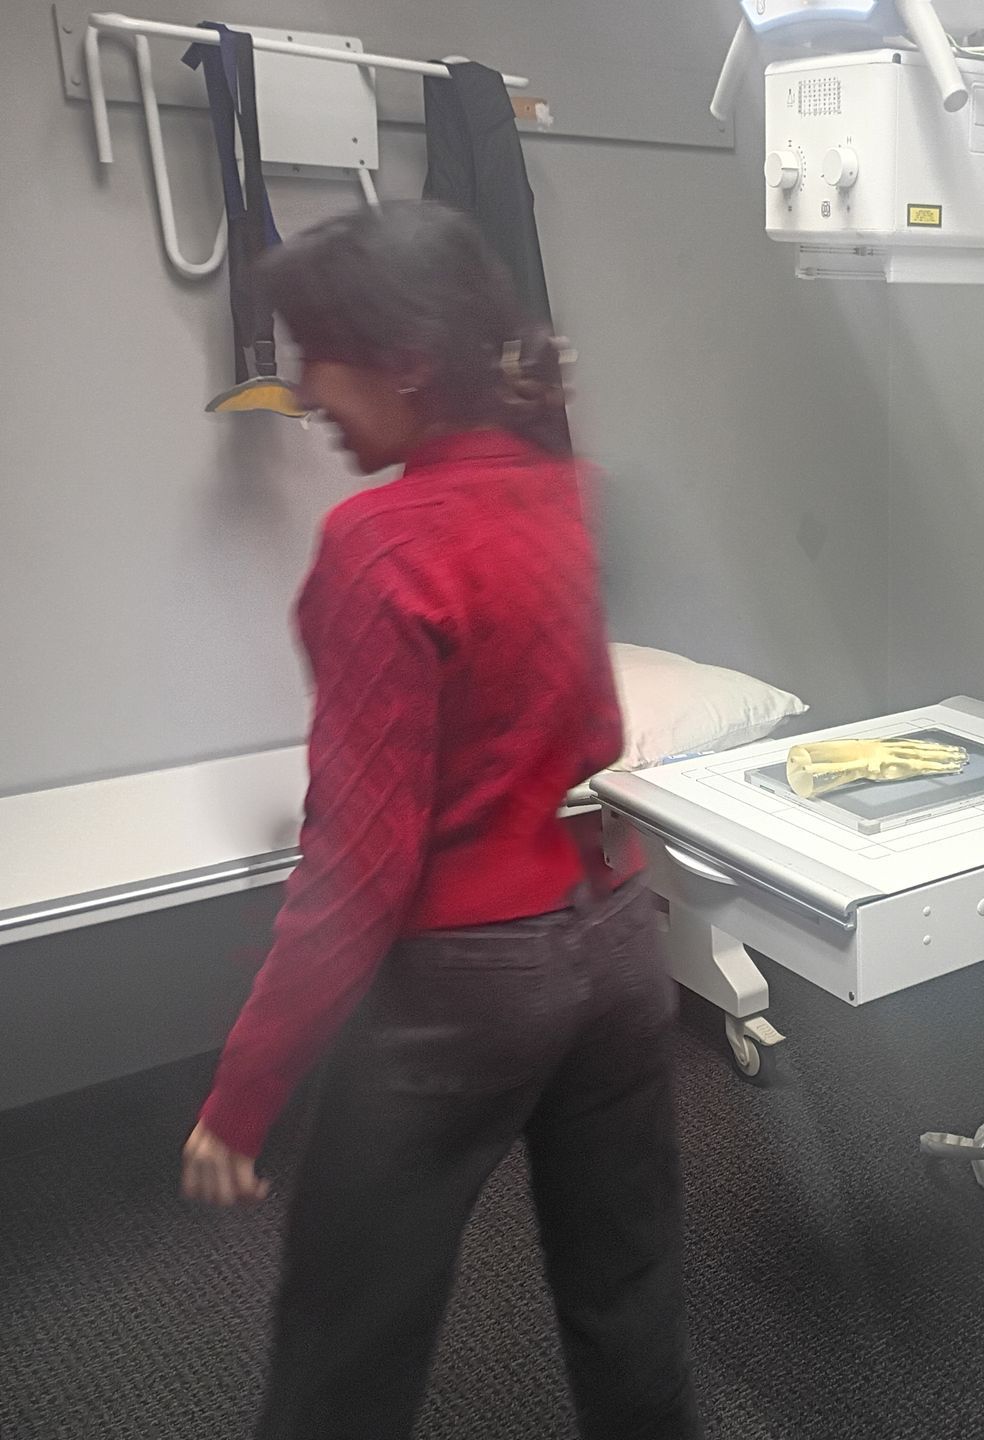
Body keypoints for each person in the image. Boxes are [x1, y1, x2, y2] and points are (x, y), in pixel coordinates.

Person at [178, 202, 702, 1439]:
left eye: (319, 353)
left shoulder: (375, 543)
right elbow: (575, 729)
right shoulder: (576, 492)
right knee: (630, 1295)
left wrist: (240, 1097)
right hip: (622, 941)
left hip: (465, 990)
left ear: (407, 361)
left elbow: (358, 866)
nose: (304, 390)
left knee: (347, 1332)